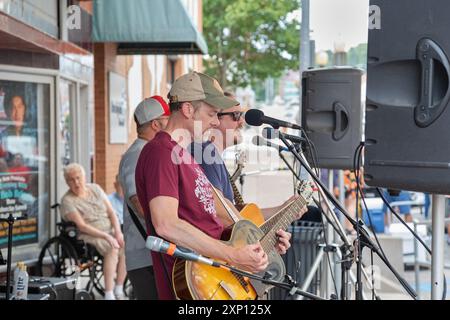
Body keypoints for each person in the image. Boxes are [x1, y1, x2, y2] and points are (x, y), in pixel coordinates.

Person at [135, 71, 269, 300]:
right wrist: (234, 255)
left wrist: (265, 238)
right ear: (188, 110)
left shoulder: (184, 155)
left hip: (214, 278)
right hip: (193, 285)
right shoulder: (160, 152)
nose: (216, 122)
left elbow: (218, 219)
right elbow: (166, 224)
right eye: (211, 113)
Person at [189, 91, 308, 247]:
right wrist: (259, 243)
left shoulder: (212, 157)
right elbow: (221, 217)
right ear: (216, 118)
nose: (242, 121)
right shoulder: (205, 155)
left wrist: (282, 210)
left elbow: (236, 218)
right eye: (236, 115)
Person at [118, 95, 170, 300]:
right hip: (145, 258)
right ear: (156, 124)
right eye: (167, 119)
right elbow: (138, 203)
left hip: (152, 255)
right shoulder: (136, 154)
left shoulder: (146, 151)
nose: (171, 124)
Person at [60, 163, 126, 300]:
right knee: (112, 247)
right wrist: (107, 236)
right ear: (67, 182)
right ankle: (109, 293)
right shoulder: (67, 200)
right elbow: (82, 226)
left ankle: (119, 287)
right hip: (89, 235)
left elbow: (112, 213)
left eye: (78, 178)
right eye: (71, 180)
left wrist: (118, 232)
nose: (76, 183)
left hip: (109, 231)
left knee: (127, 245)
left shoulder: (95, 189)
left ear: (84, 177)